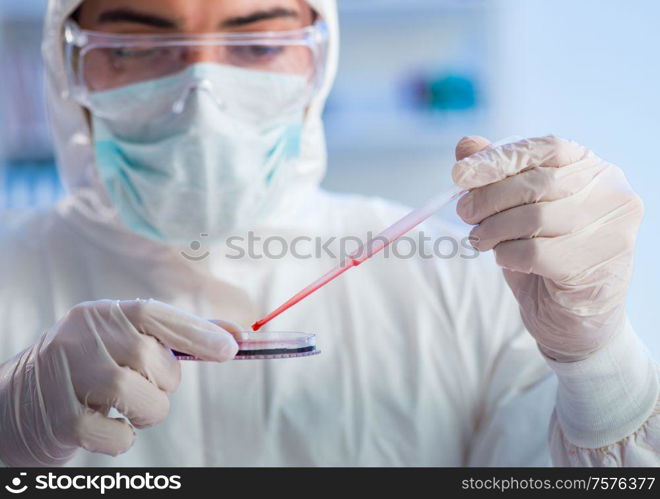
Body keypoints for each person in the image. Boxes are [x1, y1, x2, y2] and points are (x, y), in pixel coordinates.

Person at [0, 0, 658, 467]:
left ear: (321, 59)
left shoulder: (462, 276)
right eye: (132, 48)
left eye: (256, 46)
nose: (200, 92)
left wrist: (598, 367)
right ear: (65, 70)